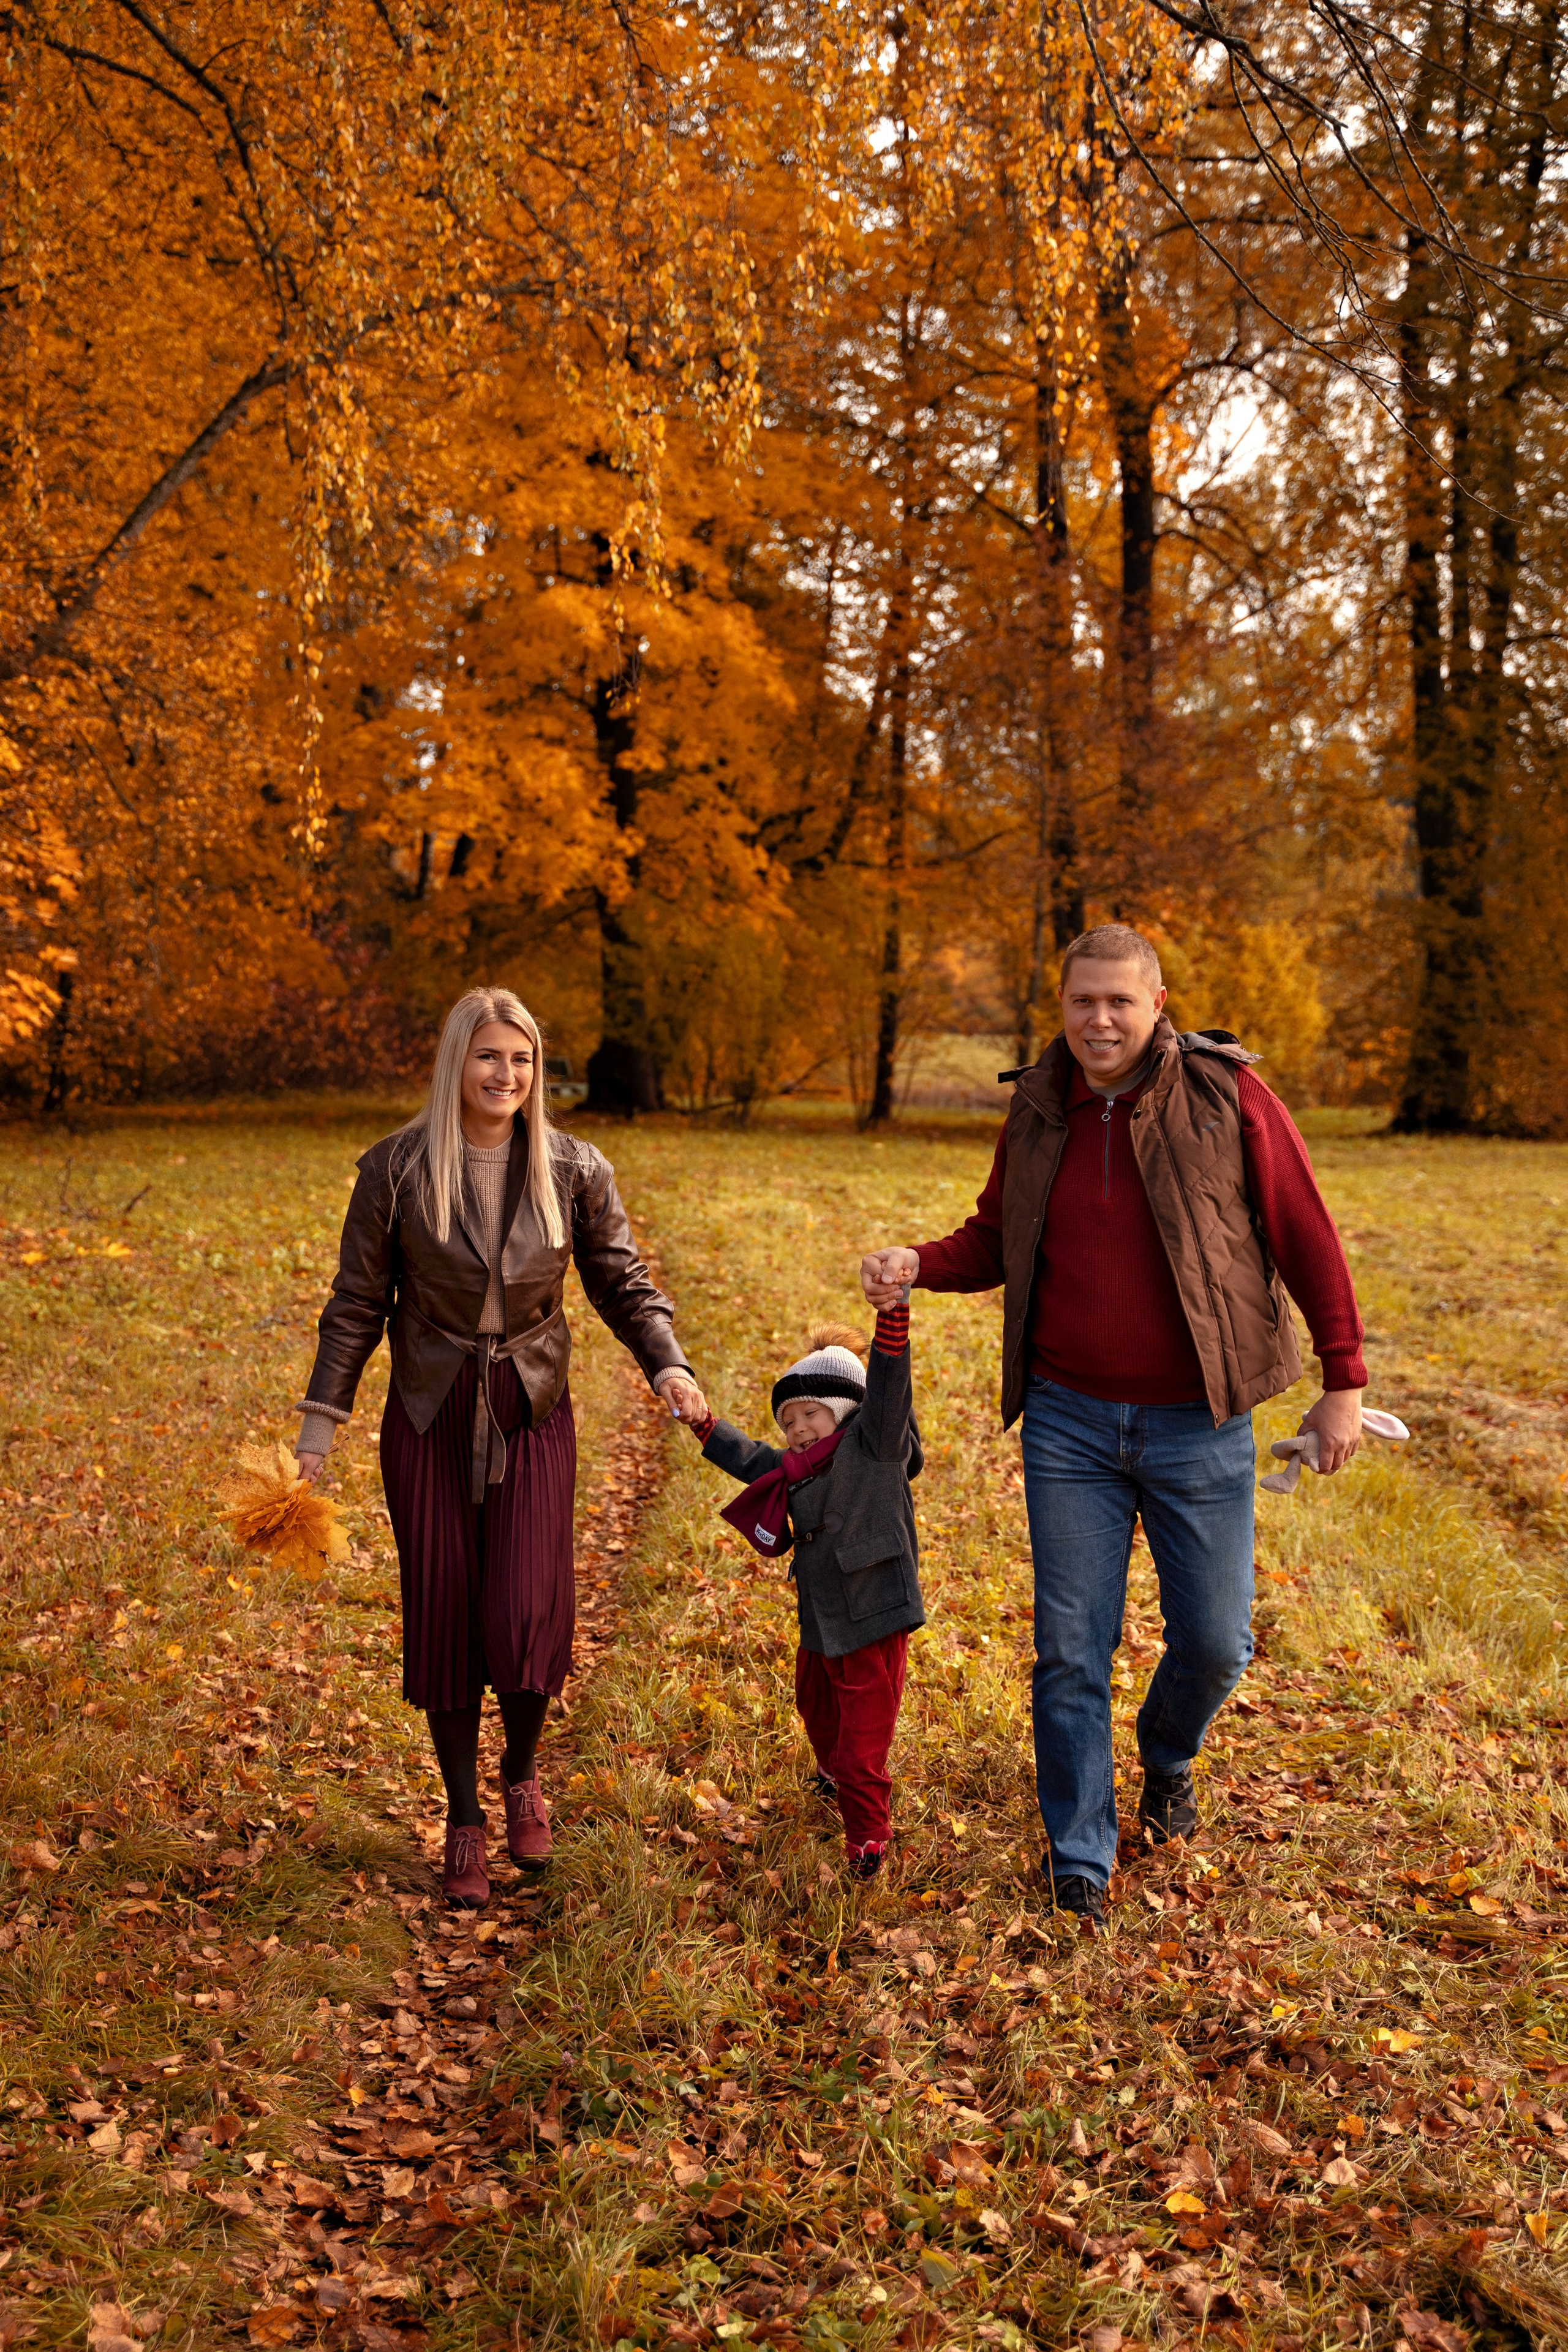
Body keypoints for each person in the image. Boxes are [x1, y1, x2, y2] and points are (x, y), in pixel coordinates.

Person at [861, 924, 1365, 1929]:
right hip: (1069, 1425)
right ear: (1063, 1005)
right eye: (1082, 1001)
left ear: (1157, 1004)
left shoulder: (1229, 1097)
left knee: (1219, 1643)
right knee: (1070, 1650)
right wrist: (918, 1260)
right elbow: (997, 1237)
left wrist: (1343, 1380)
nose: (1099, 1020)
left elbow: (1305, 1231)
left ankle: (1168, 1755)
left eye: (1119, 1003)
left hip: (1200, 1422)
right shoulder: (1040, 1107)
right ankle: (1079, 1857)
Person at [295, 986, 707, 1909]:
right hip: (430, 1410)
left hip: (531, 1405)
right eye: (489, 1057)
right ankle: (463, 1818)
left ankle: (522, 1772)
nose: (506, 1075)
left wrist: (667, 1366)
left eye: (521, 1060)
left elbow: (622, 1281)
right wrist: (320, 1428)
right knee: (445, 1611)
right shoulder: (396, 1170)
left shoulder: (573, 1167)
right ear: (456, 1063)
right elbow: (356, 1305)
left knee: (523, 1608)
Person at [682, 1309, 925, 1879]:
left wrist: (892, 1327)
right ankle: (833, 1771)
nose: (797, 1428)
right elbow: (750, 1458)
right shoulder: (796, 1466)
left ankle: (867, 1835)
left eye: (810, 1413)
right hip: (821, 1612)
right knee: (815, 1703)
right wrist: (703, 1423)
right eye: (788, 1419)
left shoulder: (875, 1446)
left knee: (865, 1730)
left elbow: (889, 1391)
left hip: (873, 1610)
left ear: (843, 1411)